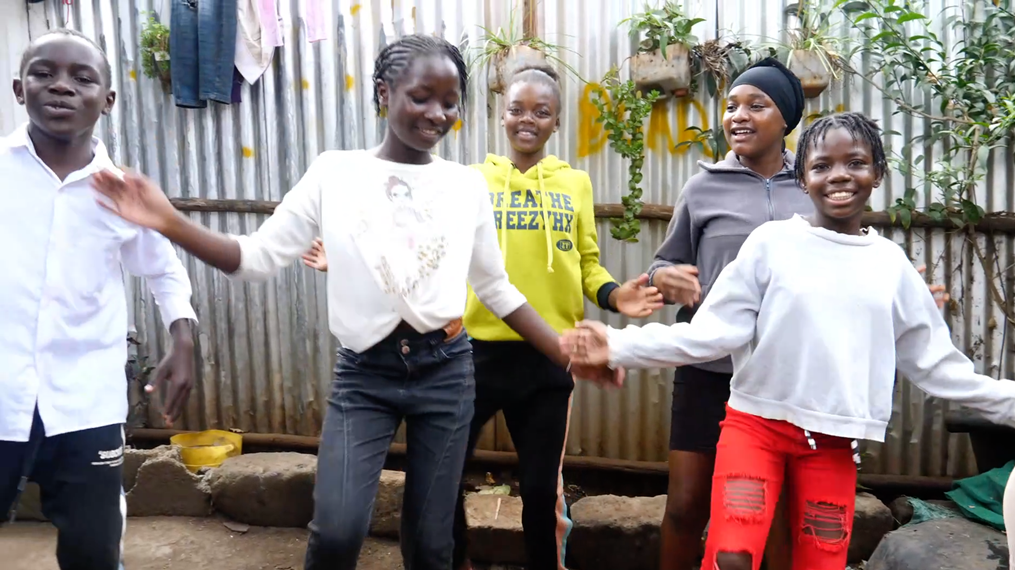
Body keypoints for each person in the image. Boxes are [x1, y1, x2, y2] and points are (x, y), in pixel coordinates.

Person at [90, 34, 618, 570]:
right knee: (338, 532)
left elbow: (497, 289)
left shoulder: (465, 186)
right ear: (384, 93)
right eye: (421, 97)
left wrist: (566, 354)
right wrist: (170, 222)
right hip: (365, 375)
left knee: (431, 543)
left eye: (450, 101)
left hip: (446, 372)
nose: (437, 114)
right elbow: (254, 258)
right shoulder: (335, 173)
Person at [561, 112, 1015, 570]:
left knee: (822, 560)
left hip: (832, 444)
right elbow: (712, 333)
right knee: (731, 556)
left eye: (856, 162)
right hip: (755, 430)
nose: (839, 175)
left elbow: (938, 368)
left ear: (877, 172)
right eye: (822, 166)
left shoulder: (891, 266)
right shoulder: (771, 244)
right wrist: (617, 345)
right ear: (802, 178)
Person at [300, 63, 663, 570]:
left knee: (541, 491)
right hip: (471, 356)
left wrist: (613, 295)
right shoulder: (468, 181)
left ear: (557, 121)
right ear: (501, 116)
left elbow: (585, 262)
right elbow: (422, 252)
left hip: (547, 354)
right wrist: (347, 261)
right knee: (442, 483)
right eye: (517, 109)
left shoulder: (575, 184)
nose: (527, 120)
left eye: (541, 111)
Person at [646, 57, 948, 570]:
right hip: (708, 366)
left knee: (781, 516)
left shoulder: (817, 180)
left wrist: (899, 295)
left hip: (789, 377)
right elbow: (664, 262)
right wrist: (663, 278)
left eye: (755, 105)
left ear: (786, 118)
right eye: (732, 106)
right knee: (686, 503)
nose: (738, 116)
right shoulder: (703, 187)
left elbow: (850, 261)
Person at [0, 29, 198, 570]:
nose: (61, 86)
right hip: (3, 391)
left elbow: (164, 271)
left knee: (93, 550)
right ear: (19, 89)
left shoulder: (122, 192)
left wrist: (183, 338)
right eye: (44, 73)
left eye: (82, 78)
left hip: (86, 401)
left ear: (107, 100)